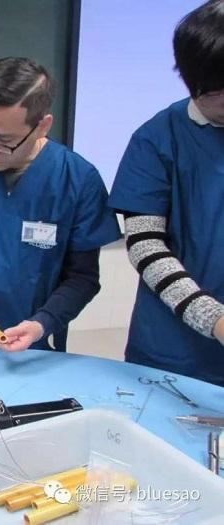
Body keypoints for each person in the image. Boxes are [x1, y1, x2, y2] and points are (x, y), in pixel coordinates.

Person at [0, 57, 120, 353]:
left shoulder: (77, 180)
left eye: (4, 140)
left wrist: (42, 323)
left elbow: (83, 278)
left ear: (42, 126)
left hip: (33, 346)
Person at [108, 0, 224, 386]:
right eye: (218, 93)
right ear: (194, 82)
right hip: (174, 350)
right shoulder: (157, 139)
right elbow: (145, 246)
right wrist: (214, 319)